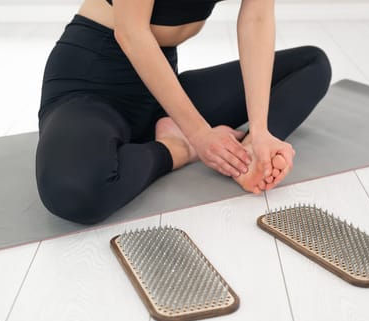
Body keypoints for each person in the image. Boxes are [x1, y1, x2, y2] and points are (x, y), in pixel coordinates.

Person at [35, 0, 332, 225]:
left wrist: (260, 130)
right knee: (74, 191)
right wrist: (199, 136)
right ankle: (177, 147)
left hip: (160, 84)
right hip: (93, 82)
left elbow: (256, 19)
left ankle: (248, 154)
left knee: (312, 65)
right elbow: (132, 34)